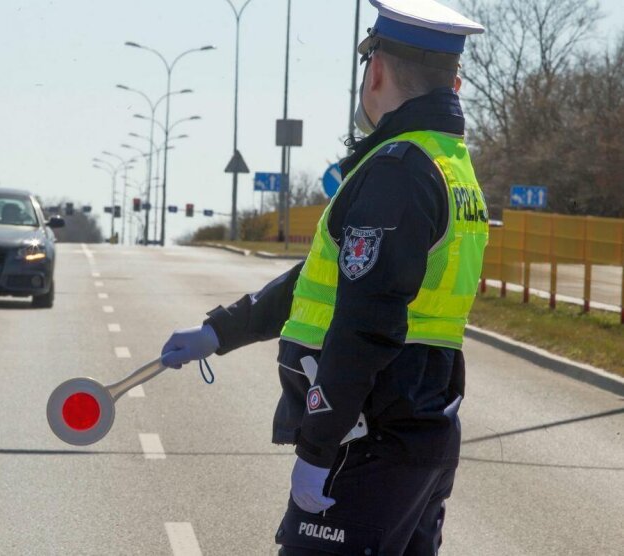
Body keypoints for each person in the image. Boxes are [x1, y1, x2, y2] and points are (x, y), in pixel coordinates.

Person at [160, 0, 489, 554]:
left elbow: (366, 321)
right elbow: (331, 278)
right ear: (453, 83)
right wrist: (222, 332)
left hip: (368, 439)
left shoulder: (398, 169)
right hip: (419, 426)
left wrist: (315, 452)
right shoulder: (447, 163)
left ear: (376, 70)